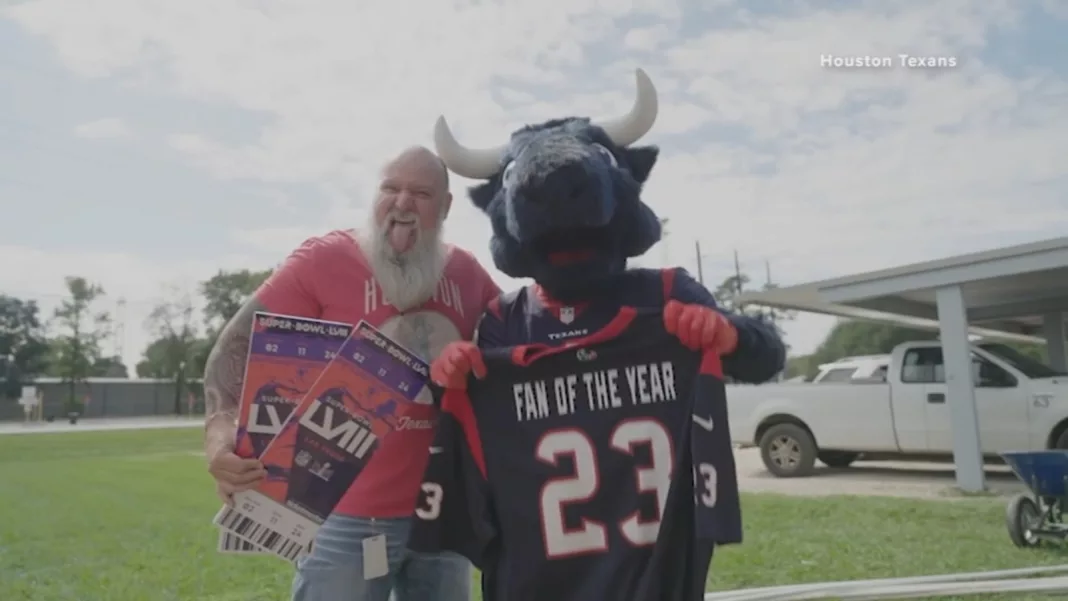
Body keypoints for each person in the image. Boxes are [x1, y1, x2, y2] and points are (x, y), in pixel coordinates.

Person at [202, 146, 500, 601]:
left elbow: (519, 345)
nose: (402, 203)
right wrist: (218, 439)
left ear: (444, 207)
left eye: (420, 193)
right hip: (343, 514)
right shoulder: (324, 260)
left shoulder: (467, 273)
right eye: (390, 188)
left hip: (441, 514)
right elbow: (234, 348)